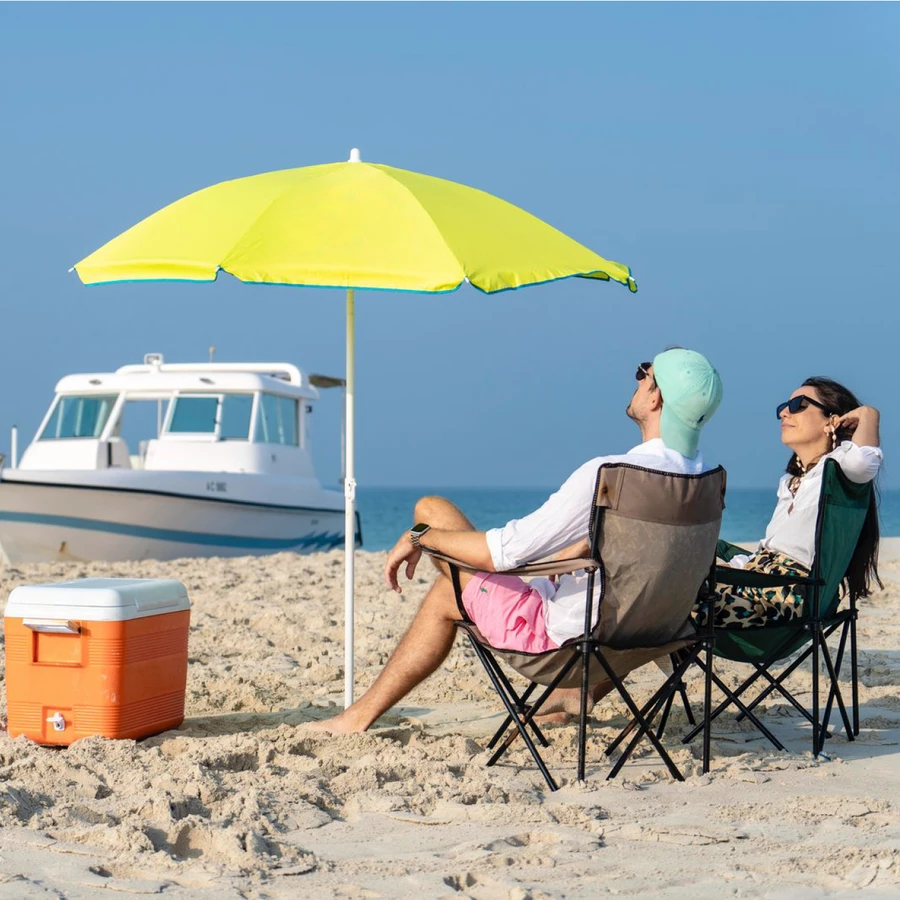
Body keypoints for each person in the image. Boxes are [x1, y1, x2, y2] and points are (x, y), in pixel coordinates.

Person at [309, 348, 723, 733]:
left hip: (570, 649)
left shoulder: (611, 476)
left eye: (643, 375)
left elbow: (504, 553)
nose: (636, 381)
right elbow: (652, 557)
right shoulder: (704, 482)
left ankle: (357, 717)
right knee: (433, 508)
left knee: (445, 583)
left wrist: (421, 537)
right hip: (651, 637)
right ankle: (569, 698)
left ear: (655, 398)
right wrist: (584, 546)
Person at [700, 377, 882, 628]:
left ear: (831, 420)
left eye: (798, 405)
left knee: (670, 602)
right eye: (783, 407)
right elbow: (772, 550)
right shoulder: (790, 482)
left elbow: (863, 462)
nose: (784, 412)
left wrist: (869, 414)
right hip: (758, 584)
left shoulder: (839, 470)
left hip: (784, 598)